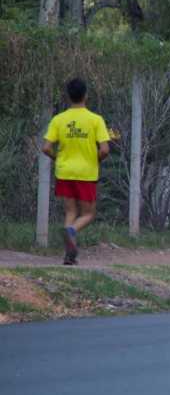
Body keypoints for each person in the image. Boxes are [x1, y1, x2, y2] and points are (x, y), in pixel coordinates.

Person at [42, 78, 110, 265]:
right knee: (88, 214)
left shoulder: (58, 119)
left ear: (68, 96)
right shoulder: (95, 120)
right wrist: (95, 159)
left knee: (70, 212)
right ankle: (71, 232)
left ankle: (68, 255)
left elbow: (46, 148)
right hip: (86, 173)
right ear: (85, 95)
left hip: (64, 172)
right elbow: (104, 150)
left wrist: (58, 159)